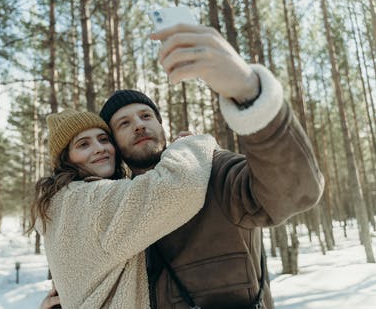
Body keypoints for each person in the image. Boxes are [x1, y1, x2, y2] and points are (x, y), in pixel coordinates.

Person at [40, 23, 324, 309]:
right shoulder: (114, 203)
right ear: (115, 145)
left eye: (146, 116)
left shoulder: (212, 169)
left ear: (161, 126)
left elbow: (296, 189)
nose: (139, 125)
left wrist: (250, 92)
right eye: (124, 123)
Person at [30, 109, 218, 308]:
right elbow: (180, 186)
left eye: (103, 139)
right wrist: (191, 145)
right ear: (66, 159)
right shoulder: (87, 202)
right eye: (83, 144)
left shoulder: (62, 205)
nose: (99, 148)